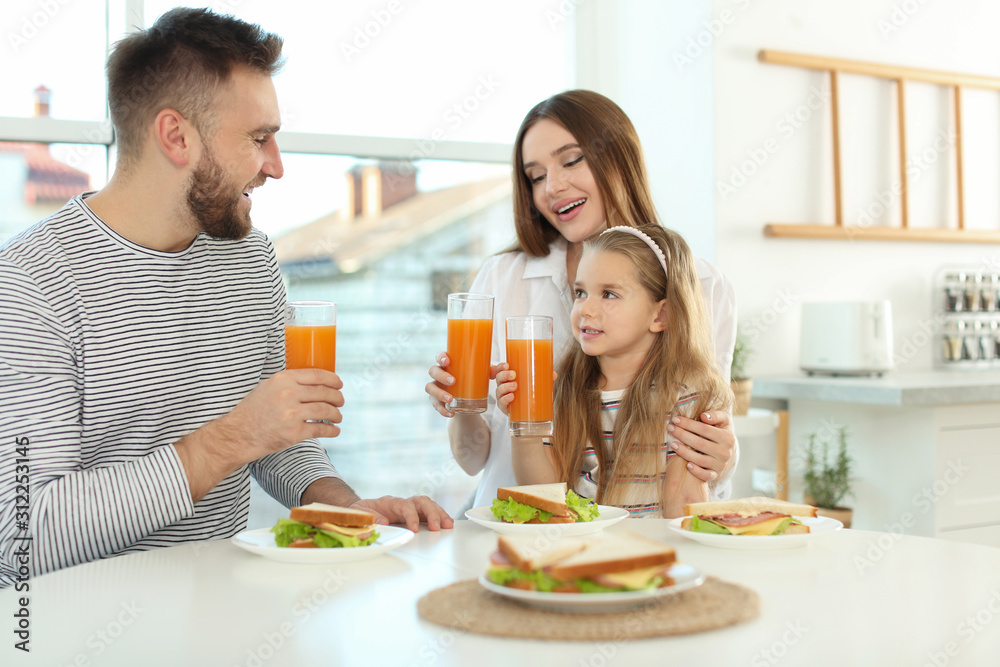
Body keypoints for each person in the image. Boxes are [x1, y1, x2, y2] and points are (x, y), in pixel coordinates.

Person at [0, 8, 450, 588]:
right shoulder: (31, 283)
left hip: (227, 610)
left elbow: (275, 441)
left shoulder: (249, 258)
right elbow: (20, 537)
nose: (278, 167)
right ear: (176, 136)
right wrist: (226, 440)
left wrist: (339, 507)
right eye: (259, 139)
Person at [425, 90, 739, 509]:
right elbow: (471, 460)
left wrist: (724, 454)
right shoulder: (503, 278)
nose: (553, 187)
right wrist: (462, 406)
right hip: (518, 525)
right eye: (535, 176)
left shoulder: (700, 284)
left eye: (571, 160)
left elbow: (705, 433)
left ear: (619, 159)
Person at [496, 225, 731, 517]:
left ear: (661, 314)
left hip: (650, 553)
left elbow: (682, 501)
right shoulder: (563, 386)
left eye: (608, 294)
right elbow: (545, 493)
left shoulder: (685, 393)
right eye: (580, 292)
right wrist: (525, 428)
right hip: (583, 550)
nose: (585, 309)